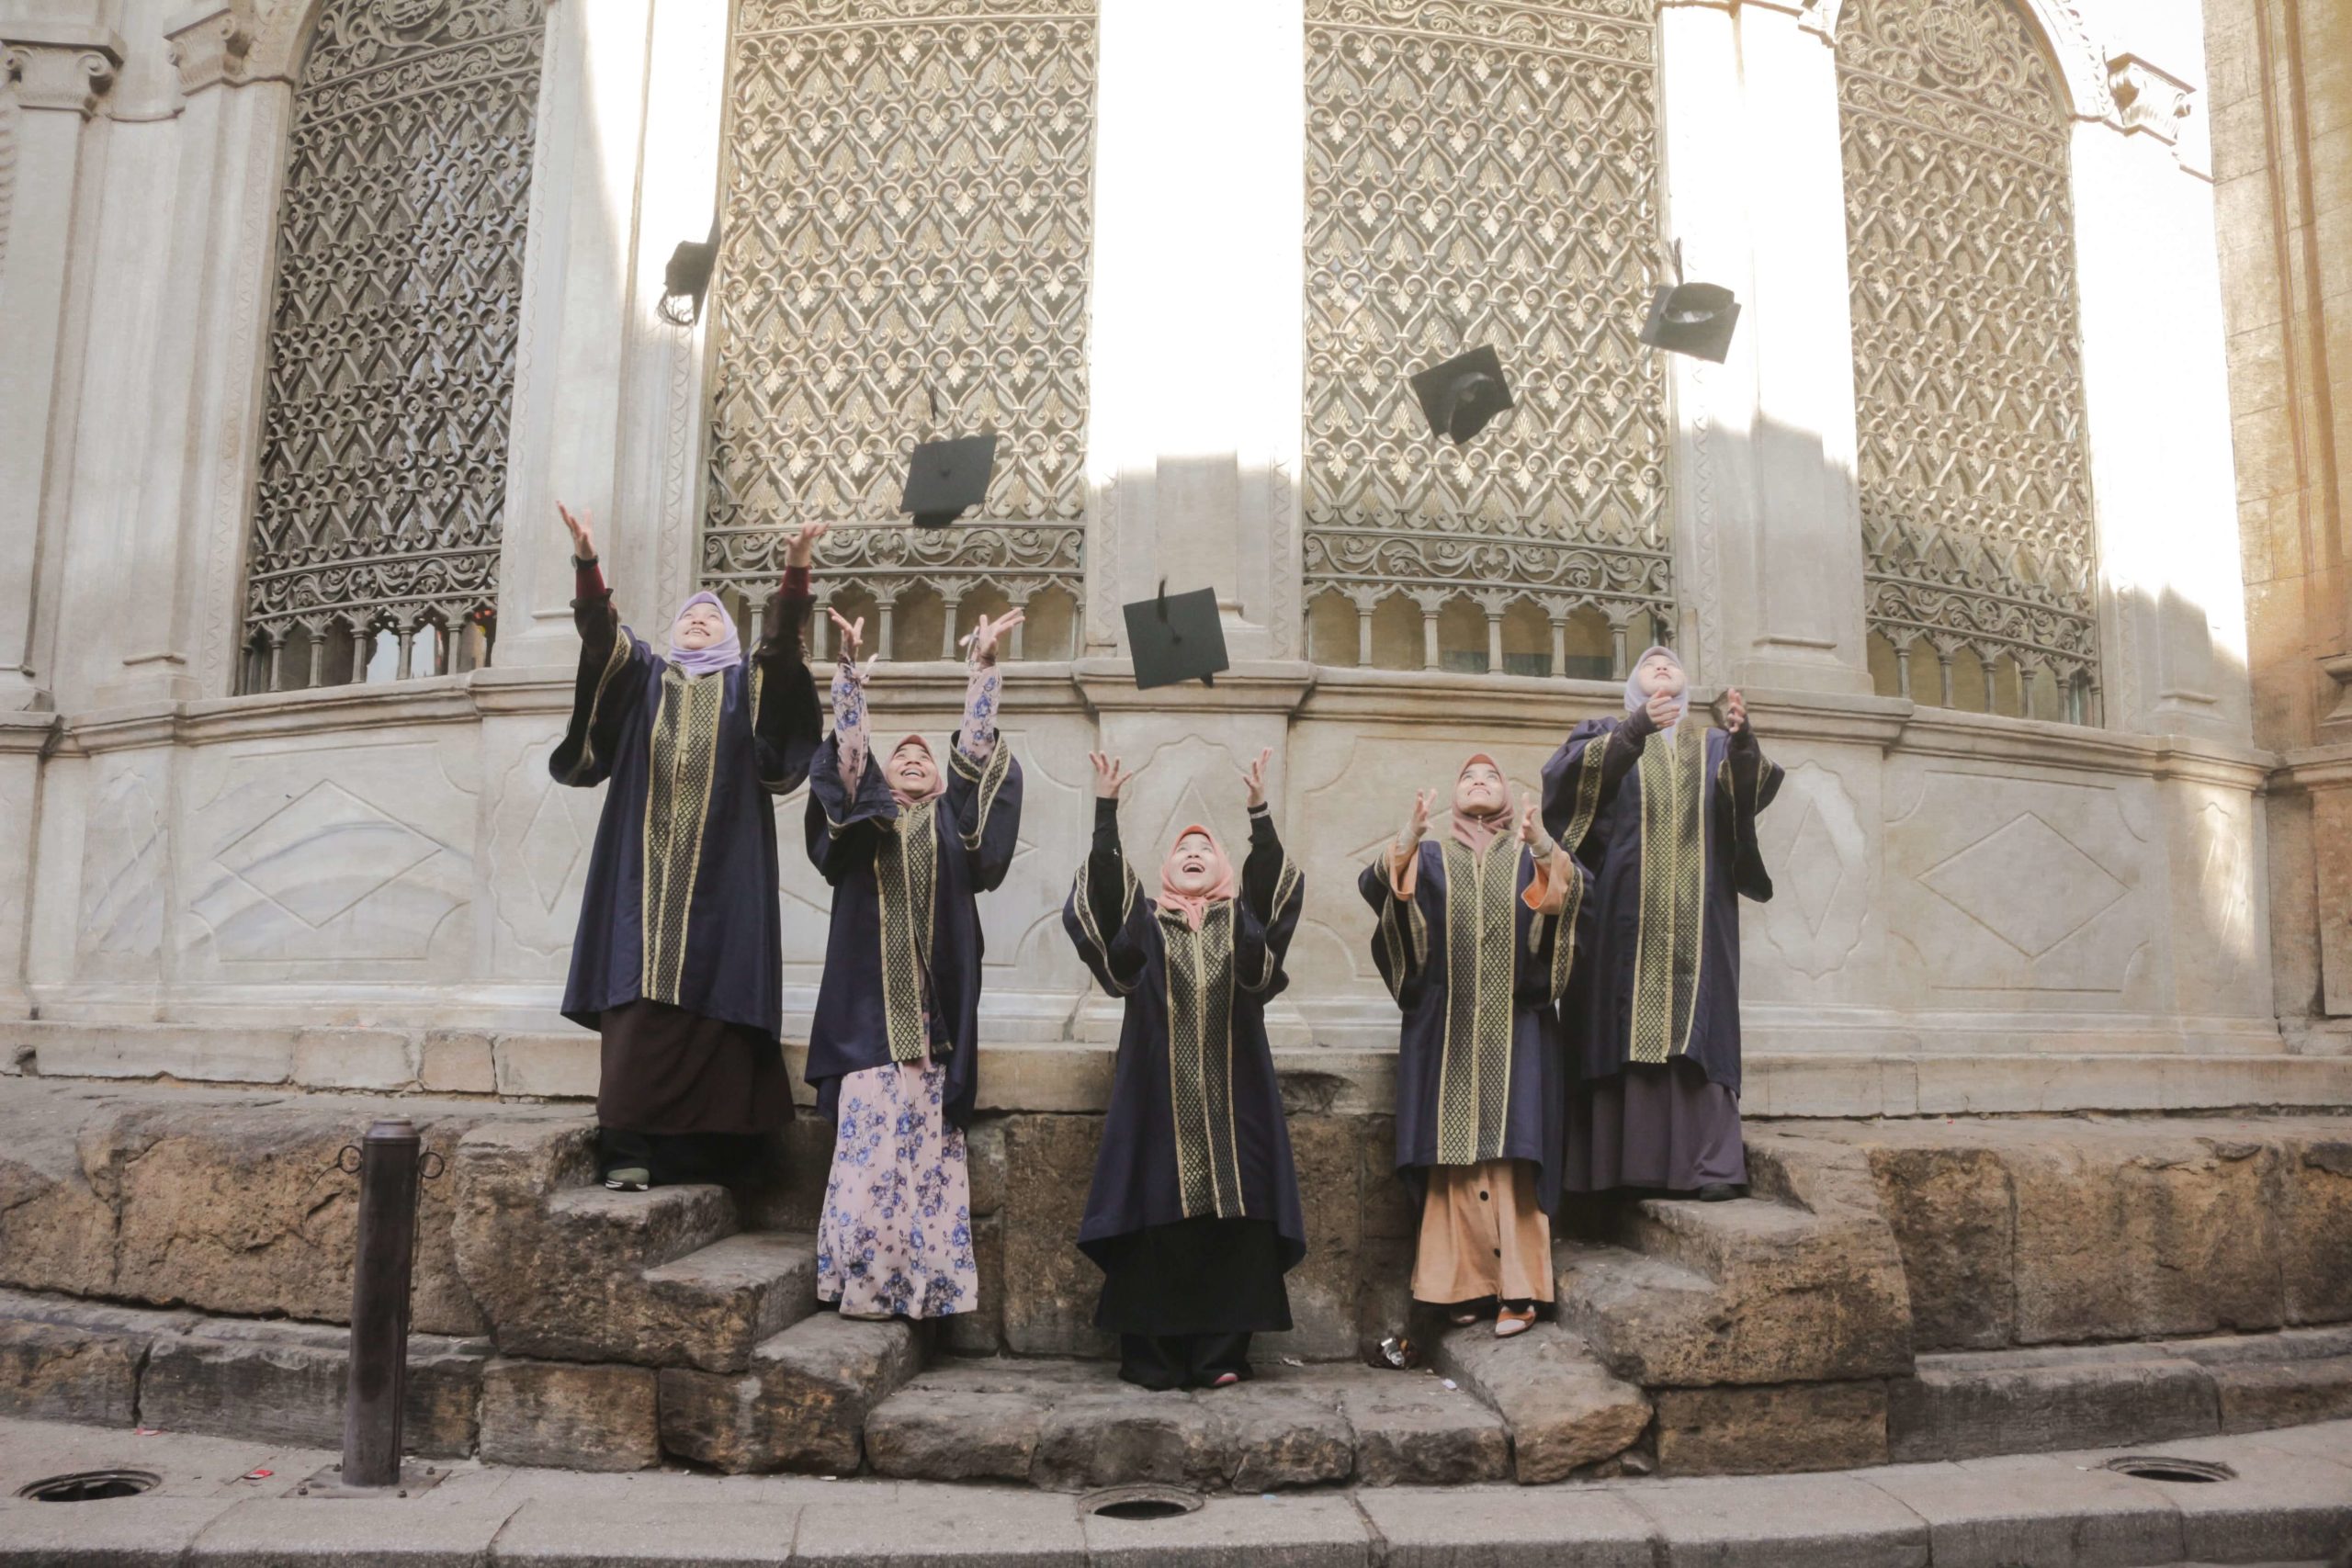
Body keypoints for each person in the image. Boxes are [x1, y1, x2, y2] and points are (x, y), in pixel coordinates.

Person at [549, 504, 825, 1191]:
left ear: (730, 635)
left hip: (724, 877)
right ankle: (627, 1149)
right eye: (688, 616)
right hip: (640, 876)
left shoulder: (744, 687)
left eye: (712, 617)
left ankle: (707, 1158)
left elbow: (781, 653)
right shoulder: (645, 679)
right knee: (637, 996)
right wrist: (588, 563)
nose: (699, 620)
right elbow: (601, 637)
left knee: (717, 997)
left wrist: (795, 573)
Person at [804, 606, 1023, 1321]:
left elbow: (978, 752)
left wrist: (982, 670)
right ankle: (864, 1287)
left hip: (934, 1033)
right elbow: (847, 760)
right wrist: (847, 680)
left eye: (924, 756)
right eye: (900, 754)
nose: (912, 757)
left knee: (928, 1164)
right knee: (869, 1161)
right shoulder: (864, 823)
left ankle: (926, 1292)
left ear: (939, 779)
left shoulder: (955, 824)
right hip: (867, 1026)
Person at [1064, 748, 1307, 1390]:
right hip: (1156, 1104)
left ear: (1222, 867)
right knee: (1155, 1217)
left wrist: (1258, 813)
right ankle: (1155, 1359)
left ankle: (1220, 1355)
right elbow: (1104, 907)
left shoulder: (1242, 924)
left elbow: (1274, 900)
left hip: (1236, 1105)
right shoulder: (1146, 926)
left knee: (1237, 1221)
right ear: (1165, 870)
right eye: (1182, 850)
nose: (1193, 853)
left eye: (1204, 849)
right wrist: (1106, 811)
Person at [1359, 754, 1587, 1338]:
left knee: (1514, 1154)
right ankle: (1460, 1286)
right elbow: (1379, 890)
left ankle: (1520, 1289)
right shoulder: (1432, 858)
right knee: (1451, 1158)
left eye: (1490, 777)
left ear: (1508, 796)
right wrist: (1408, 837)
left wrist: (1542, 847)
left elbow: (1571, 898)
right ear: (1454, 796)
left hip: (1518, 1029)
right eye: (1468, 777)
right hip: (1447, 1031)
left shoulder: (1527, 854)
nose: (1479, 782)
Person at [1541, 646, 1780, 1201]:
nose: (1663, 667)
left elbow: (1748, 799)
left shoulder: (1714, 745)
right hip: (1618, 918)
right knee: (1615, 1024)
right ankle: (1612, 1172)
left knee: (1701, 1026)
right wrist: (1635, 731)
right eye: (1650, 665)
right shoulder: (1603, 733)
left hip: (1701, 918)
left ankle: (1710, 1167)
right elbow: (1565, 791)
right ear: (1633, 686)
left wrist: (1744, 743)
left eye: (1671, 663)